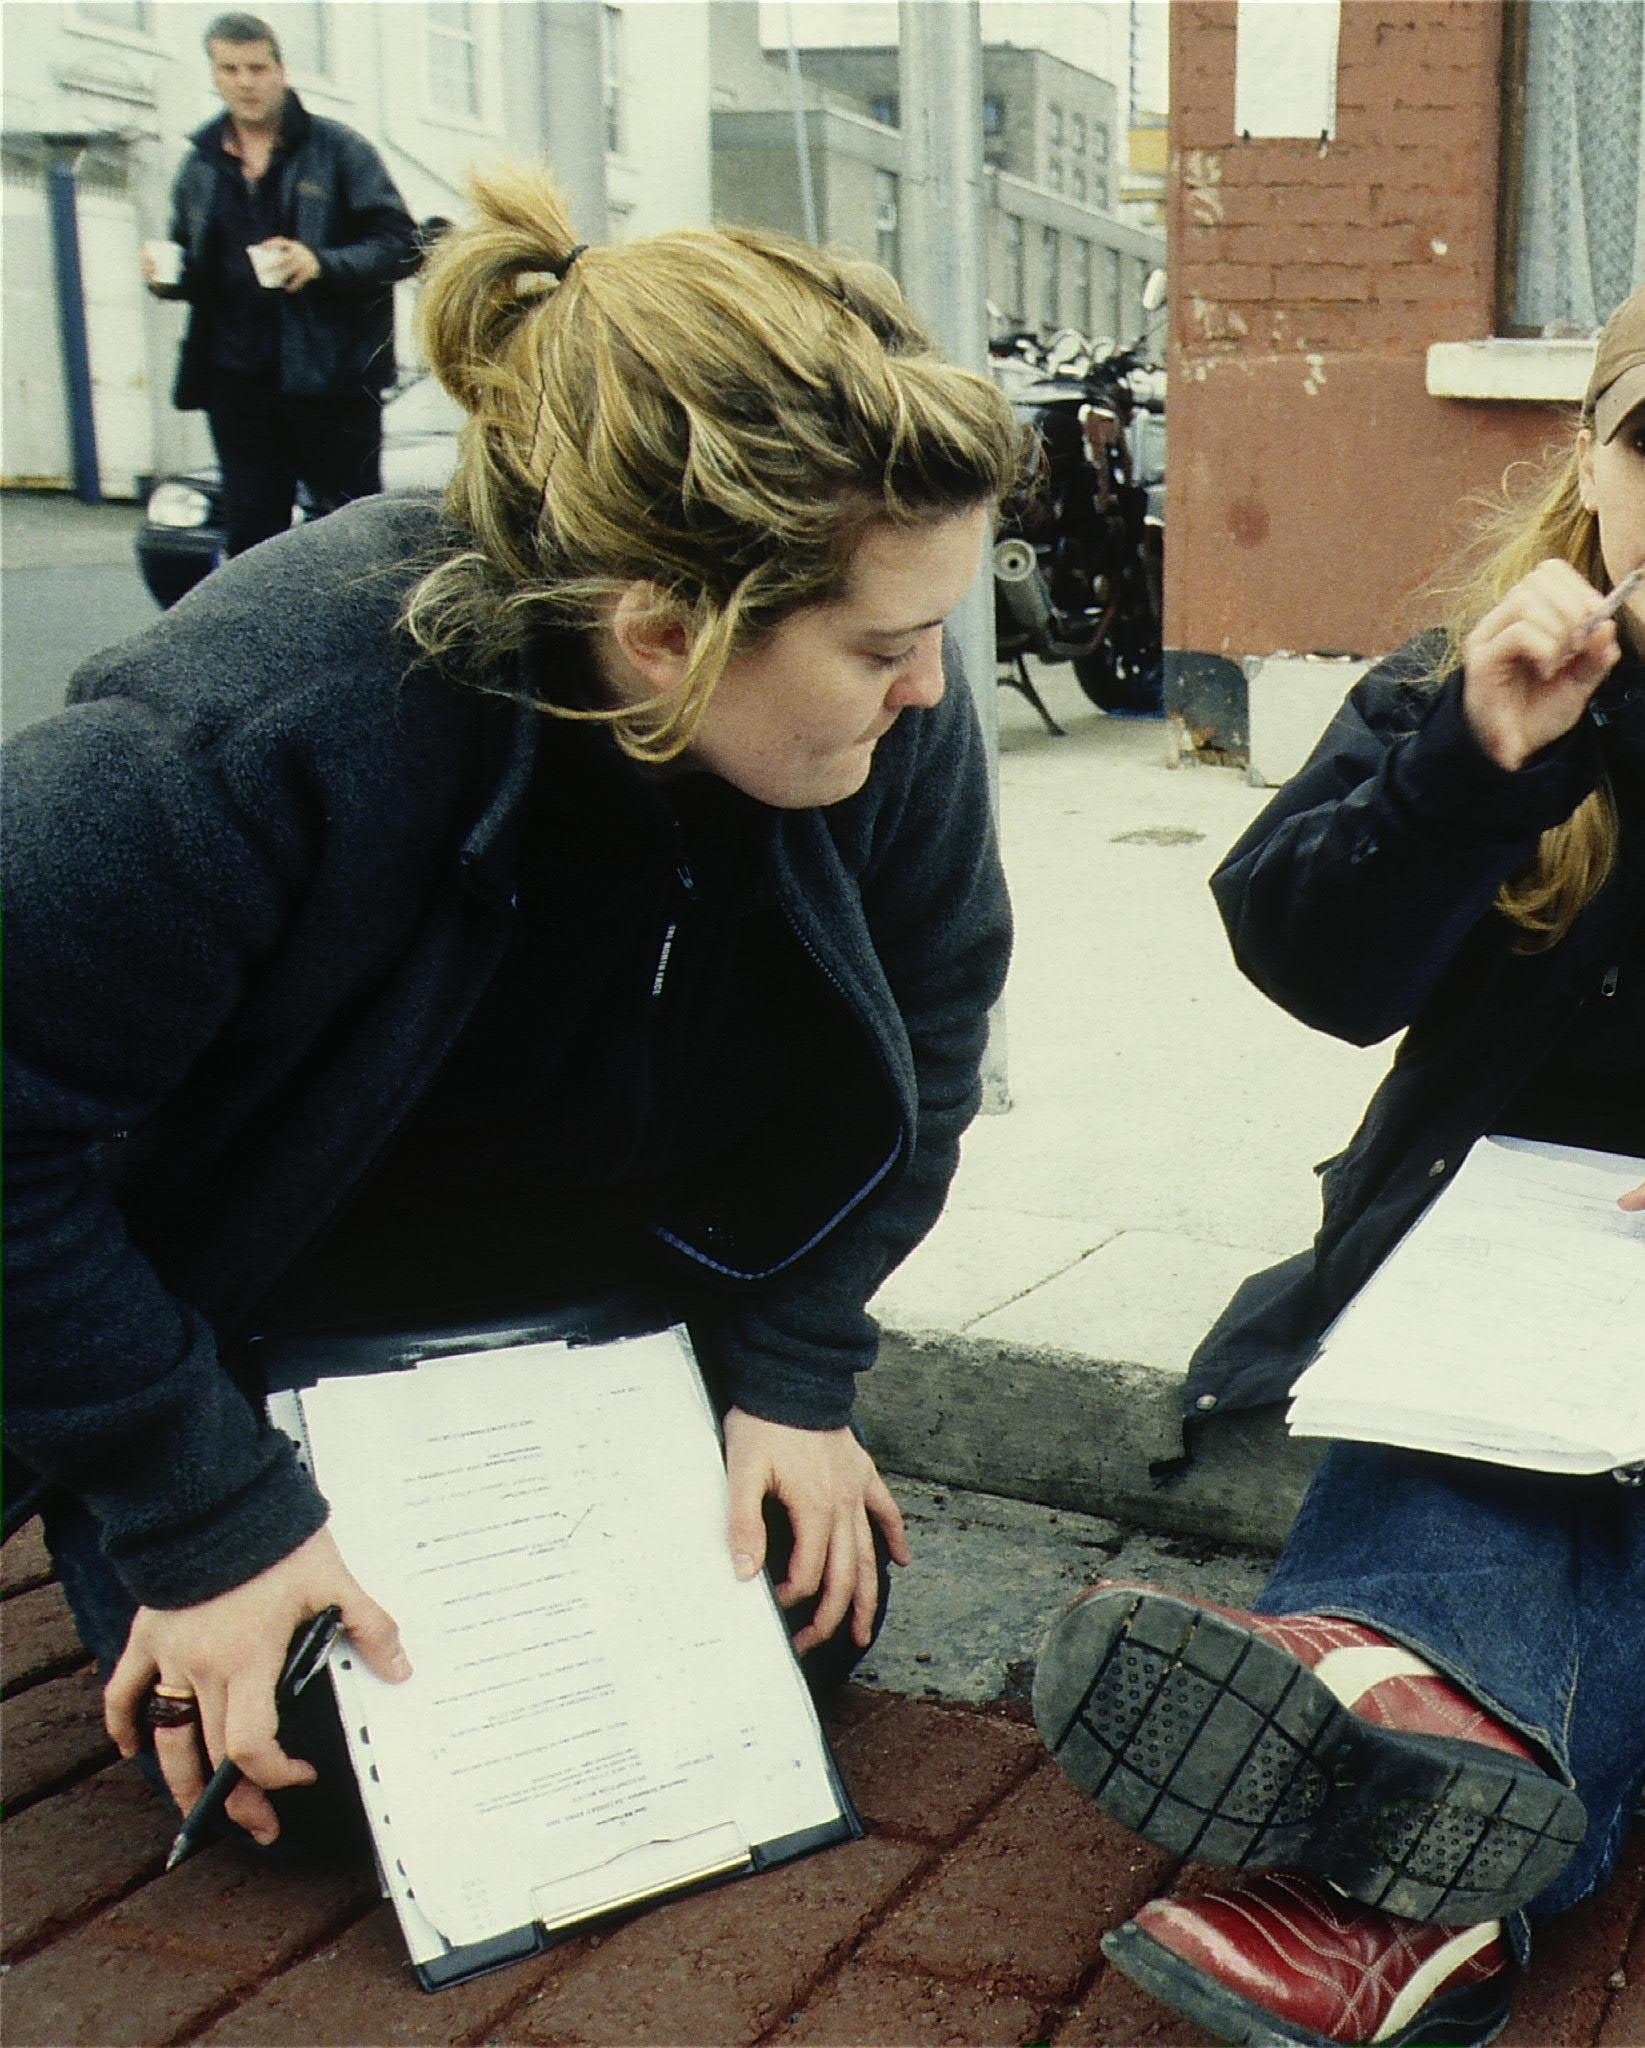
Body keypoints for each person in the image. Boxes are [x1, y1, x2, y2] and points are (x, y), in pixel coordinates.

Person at [1031, 269, 1645, 2046]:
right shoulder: (1476, 671)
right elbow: (1308, 961)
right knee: (1451, 1365)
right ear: (1590, 464)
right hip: (1502, 1209)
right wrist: (1470, 766)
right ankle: (1438, 1891)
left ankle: (1346, 1678)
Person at [4, 166, 1025, 1862]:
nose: (927, 688)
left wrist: (797, 1366)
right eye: (879, 649)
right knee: (335, 1776)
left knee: (793, 1648)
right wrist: (204, 1516)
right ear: (664, 635)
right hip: (271, 1314)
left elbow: (923, 1045)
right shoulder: (247, 735)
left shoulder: (889, 710)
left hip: (606, 1309)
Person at [144, 11, 421, 564]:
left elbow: (401, 245)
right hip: (236, 379)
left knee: (352, 530)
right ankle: (266, 645)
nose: (245, 81)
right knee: (252, 533)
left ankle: (361, 646)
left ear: (281, 71)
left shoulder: (339, 150)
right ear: (214, 75)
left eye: (257, 67)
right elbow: (195, 265)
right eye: (230, 68)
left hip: (332, 379)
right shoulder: (199, 165)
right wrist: (165, 278)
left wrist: (321, 262)